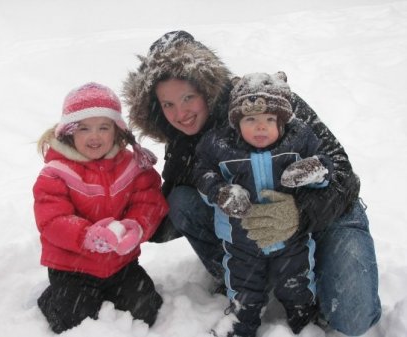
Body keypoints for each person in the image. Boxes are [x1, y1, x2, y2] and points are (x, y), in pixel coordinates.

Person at [122, 31, 381, 336]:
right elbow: (170, 217)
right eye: (168, 104)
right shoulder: (185, 143)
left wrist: (300, 214)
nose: (180, 113)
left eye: (188, 97)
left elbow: (342, 173)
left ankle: (313, 272)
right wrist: (117, 205)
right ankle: (249, 279)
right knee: (181, 200)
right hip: (248, 241)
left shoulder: (269, 101)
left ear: (207, 87)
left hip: (326, 218)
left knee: (353, 318)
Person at [194, 71, 334, 336]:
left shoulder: (299, 139)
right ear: (236, 122)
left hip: (292, 239)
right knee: (244, 290)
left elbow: (326, 164)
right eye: (251, 119)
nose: (261, 127)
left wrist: (314, 170)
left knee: (297, 284)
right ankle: (241, 324)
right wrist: (220, 192)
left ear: (282, 121)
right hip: (241, 241)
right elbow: (202, 173)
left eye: (270, 119)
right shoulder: (220, 146)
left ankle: (304, 320)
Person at [33, 82, 168, 334]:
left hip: (120, 264)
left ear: (116, 132)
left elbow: (149, 201)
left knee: (146, 310)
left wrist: (136, 227)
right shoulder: (56, 172)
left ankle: (113, 292)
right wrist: (86, 236)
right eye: (84, 128)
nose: (94, 136)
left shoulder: (132, 165)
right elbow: (52, 219)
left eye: (103, 127)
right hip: (71, 268)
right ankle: (51, 299)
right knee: (73, 320)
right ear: (69, 132)